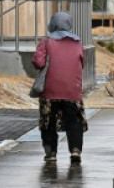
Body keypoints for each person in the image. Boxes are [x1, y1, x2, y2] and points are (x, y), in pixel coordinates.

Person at [33, 12, 87, 163]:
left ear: (52, 24)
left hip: (50, 89)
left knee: (48, 121)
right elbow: (81, 63)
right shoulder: (78, 42)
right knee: (74, 120)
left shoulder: (46, 42)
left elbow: (38, 62)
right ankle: (75, 150)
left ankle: (51, 153)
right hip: (72, 89)